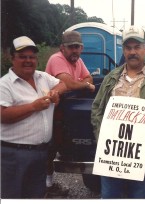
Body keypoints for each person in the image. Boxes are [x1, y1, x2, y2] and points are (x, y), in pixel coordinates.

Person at [91, 25, 145, 198]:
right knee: (109, 197)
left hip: (143, 157)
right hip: (112, 156)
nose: (132, 52)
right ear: (124, 50)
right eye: (128, 48)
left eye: (137, 47)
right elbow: (97, 109)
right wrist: (103, 137)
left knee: (139, 198)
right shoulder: (111, 79)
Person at [0, 36, 67, 198]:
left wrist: (55, 92)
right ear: (12, 58)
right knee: (12, 196)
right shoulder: (5, 84)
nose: (28, 61)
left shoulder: (42, 77)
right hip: (13, 154)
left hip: (40, 153)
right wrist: (33, 107)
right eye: (22, 57)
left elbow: (63, 83)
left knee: (36, 196)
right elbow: (2, 115)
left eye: (31, 57)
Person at [45, 30, 95, 196]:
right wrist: (84, 85)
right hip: (48, 109)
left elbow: (89, 78)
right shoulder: (56, 59)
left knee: (53, 146)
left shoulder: (77, 60)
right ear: (62, 48)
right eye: (71, 47)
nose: (75, 50)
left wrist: (79, 83)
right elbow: (69, 84)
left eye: (78, 47)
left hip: (62, 109)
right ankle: (45, 187)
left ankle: (48, 184)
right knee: (47, 148)